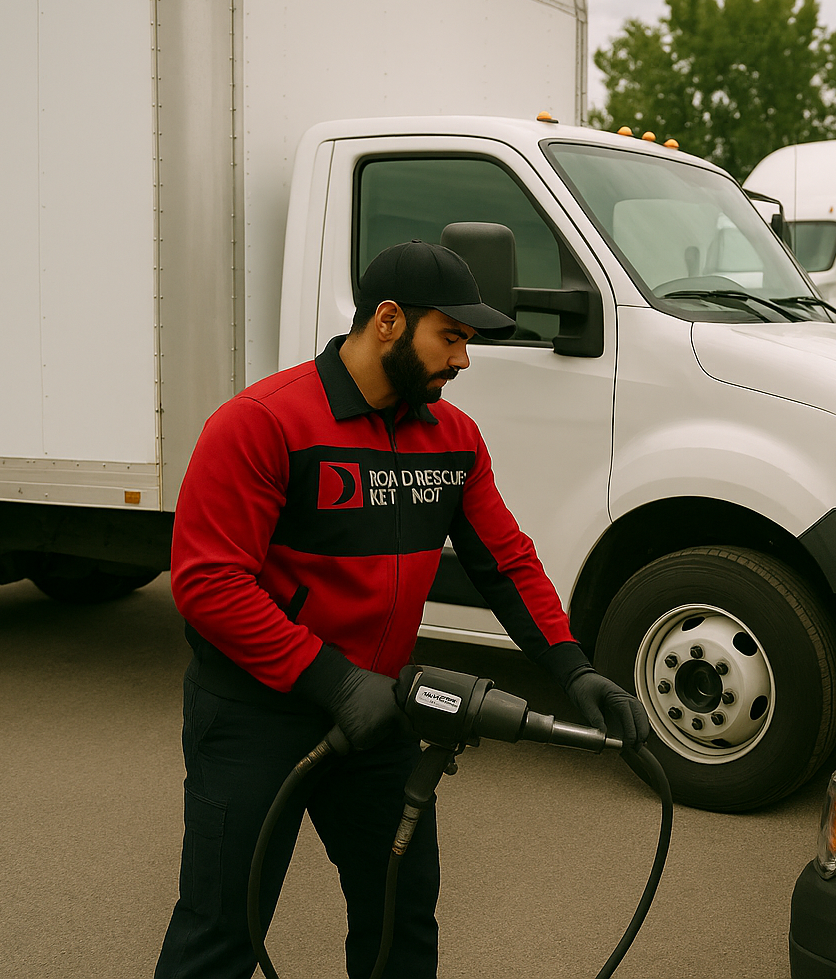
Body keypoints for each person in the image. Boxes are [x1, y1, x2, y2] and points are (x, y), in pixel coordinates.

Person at [154, 239, 649, 978]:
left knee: (399, 922)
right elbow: (208, 583)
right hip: (256, 714)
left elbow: (505, 562)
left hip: (378, 715)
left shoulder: (452, 439)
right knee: (223, 928)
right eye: (450, 337)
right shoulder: (262, 424)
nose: (463, 360)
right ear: (388, 320)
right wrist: (332, 679)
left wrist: (573, 669)